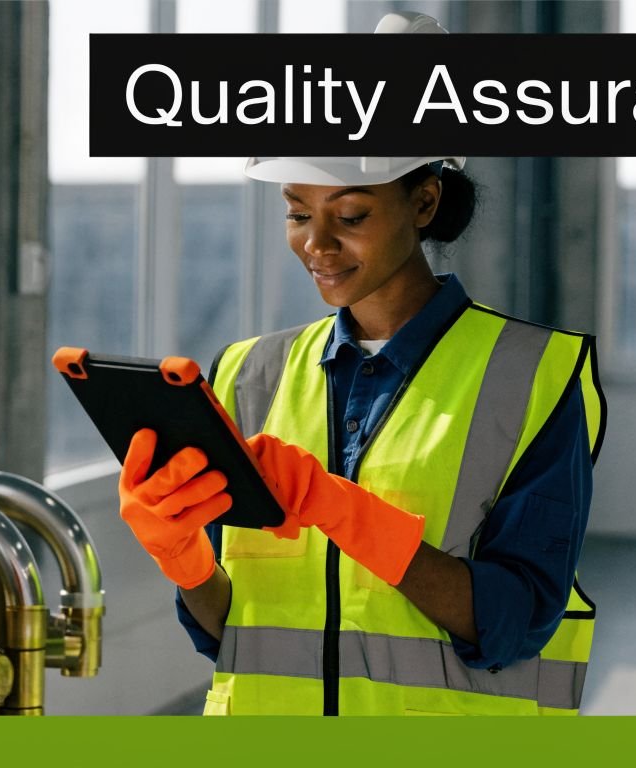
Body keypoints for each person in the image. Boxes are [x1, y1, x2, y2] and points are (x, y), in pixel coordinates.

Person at [116, 13, 605, 716]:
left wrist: (344, 511)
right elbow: (230, 632)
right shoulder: (247, 374)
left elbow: (516, 621)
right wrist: (183, 556)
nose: (316, 243)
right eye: (296, 213)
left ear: (425, 203)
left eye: (349, 216)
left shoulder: (532, 376)